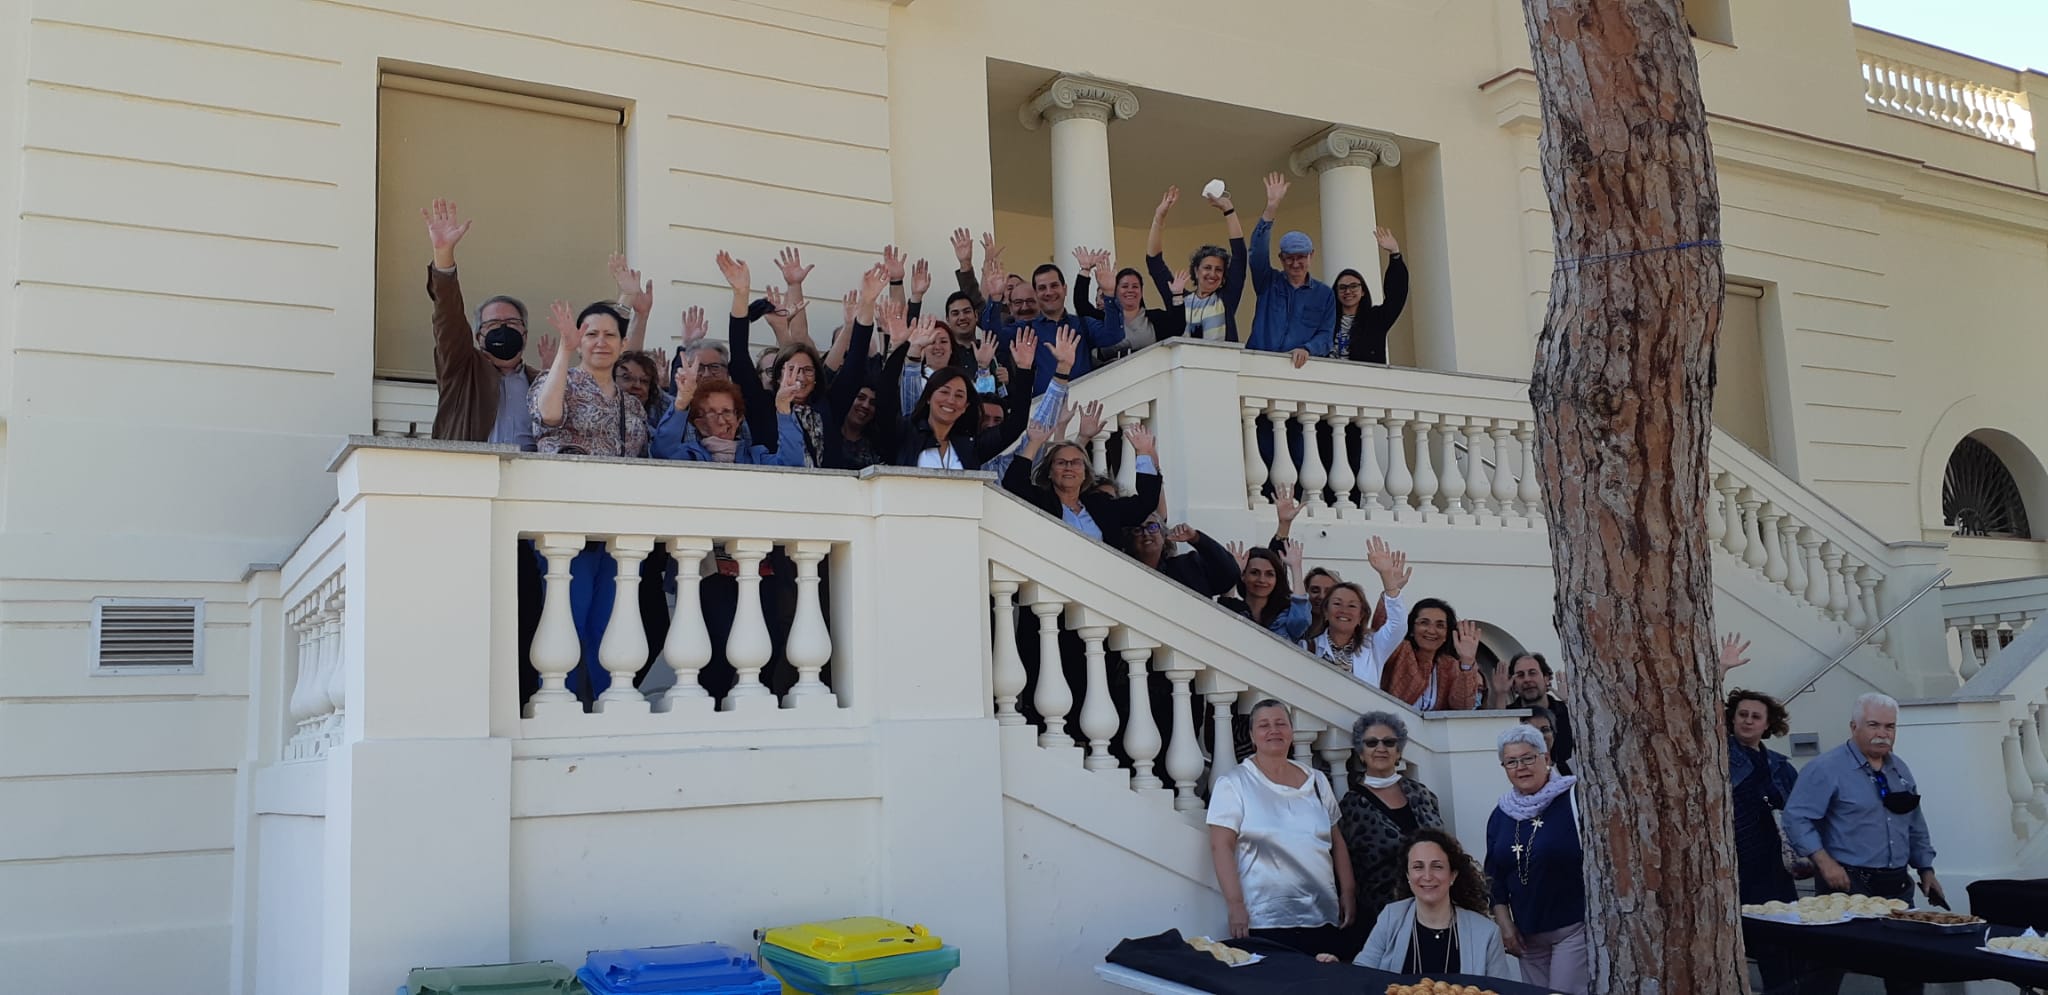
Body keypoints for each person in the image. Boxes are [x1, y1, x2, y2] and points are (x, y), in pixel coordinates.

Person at [1782, 692, 1943, 995]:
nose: (1882, 734)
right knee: (1826, 969)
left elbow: (1915, 821)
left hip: (1896, 886)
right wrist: (1824, 861)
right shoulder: (1827, 768)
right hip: (1845, 882)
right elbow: (1796, 818)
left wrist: (1926, 868)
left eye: (1890, 727)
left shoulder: (1900, 770)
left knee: (1906, 968)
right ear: (1853, 726)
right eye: (1873, 725)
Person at [1207, 699, 1355, 957]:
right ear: (1252, 735)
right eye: (1264, 725)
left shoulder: (1318, 781)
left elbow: (1337, 841)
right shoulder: (1234, 783)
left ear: (1291, 731)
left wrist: (1349, 892)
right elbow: (1220, 845)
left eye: (1280, 723)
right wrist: (1235, 904)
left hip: (1323, 917)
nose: (1273, 730)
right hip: (1265, 921)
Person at [1319, 829, 1518, 981]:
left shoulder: (1486, 933)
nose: (1427, 876)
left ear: (1453, 876)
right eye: (1417, 867)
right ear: (1408, 876)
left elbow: (1501, 991)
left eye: (1437, 866)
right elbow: (1362, 975)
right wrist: (1338, 970)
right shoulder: (1391, 917)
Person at [420, 199, 539, 447]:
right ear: (478, 336)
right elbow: (448, 320)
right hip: (468, 480)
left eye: (511, 322)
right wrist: (443, 257)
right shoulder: (461, 371)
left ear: (525, 334)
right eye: (493, 323)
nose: (503, 328)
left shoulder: (541, 383)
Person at [1486, 724, 1588, 994]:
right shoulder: (1501, 814)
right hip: (1527, 936)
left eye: (1528, 758)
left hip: (1572, 928)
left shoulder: (1575, 799)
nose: (1521, 767)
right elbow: (1493, 878)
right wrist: (1505, 925)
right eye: (1511, 762)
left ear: (1546, 758)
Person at [1334, 712, 1446, 956]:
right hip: (1381, 919)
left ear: (1399, 751)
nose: (1380, 748)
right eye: (1371, 743)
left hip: (1435, 911)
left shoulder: (1422, 794)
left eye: (1389, 742)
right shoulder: (1351, 807)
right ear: (1361, 753)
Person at [1005, 422, 1161, 544]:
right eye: (1061, 462)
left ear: (1085, 473)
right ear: (1050, 472)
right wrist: (1034, 443)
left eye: (1076, 463)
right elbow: (1013, 484)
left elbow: (1145, 503)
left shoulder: (1102, 505)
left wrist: (1143, 454)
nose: (1068, 467)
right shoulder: (1041, 501)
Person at [531, 301, 649, 458]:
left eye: (610, 335)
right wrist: (566, 348)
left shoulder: (632, 405)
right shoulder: (558, 383)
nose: (601, 342)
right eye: (592, 334)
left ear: (622, 345)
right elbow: (548, 415)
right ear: (579, 343)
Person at [1245, 172, 1336, 369]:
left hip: (1298, 372)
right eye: (1290, 258)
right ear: (1281, 259)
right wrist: (1272, 207)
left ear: (1311, 256)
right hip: (1259, 366)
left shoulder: (1325, 294)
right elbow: (1257, 252)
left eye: (1301, 257)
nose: (1295, 263)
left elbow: (1326, 335)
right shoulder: (1267, 282)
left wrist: (1307, 348)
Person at [650, 356, 805, 466]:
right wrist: (681, 402)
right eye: (712, 413)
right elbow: (661, 454)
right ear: (700, 424)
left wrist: (783, 408)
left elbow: (792, 464)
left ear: (738, 420)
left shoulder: (756, 458)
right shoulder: (688, 457)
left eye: (727, 412)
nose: (722, 420)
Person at [1300, 539, 1411, 684]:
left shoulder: (1374, 645)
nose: (1344, 610)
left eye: (1352, 606)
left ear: (1361, 616)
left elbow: (1398, 625)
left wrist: (1387, 577)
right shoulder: (1307, 647)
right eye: (1337, 603)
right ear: (1326, 612)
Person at [1145, 185, 1248, 342]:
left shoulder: (1226, 298)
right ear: (1196, 270)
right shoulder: (1178, 297)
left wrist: (1229, 210)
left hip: (1220, 365)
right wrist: (1159, 218)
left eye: (1219, 270)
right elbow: (1154, 263)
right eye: (1207, 268)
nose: (1212, 274)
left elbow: (1240, 256)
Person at [1073, 248, 1189, 361]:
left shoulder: (1154, 318)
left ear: (1141, 291)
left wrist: (1177, 294)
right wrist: (1085, 270)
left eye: (1135, 286)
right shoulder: (1105, 318)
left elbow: (1177, 327)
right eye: (1124, 286)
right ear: (1116, 290)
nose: (1130, 290)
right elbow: (1081, 305)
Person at [1381, 600, 1485, 711]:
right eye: (1424, 623)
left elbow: (1462, 707)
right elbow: (1381, 628)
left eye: (1440, 625)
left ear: (1446, 635)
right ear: (1411, 629)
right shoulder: (1399, 650)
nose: (1431, 630)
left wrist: (1467, 662)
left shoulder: (1450, 665)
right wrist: (1391, 593)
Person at [1332, 227, 1410, 364]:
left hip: (1366, 382)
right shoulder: (1327, 320)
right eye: (1342, 287)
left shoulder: (1375, 319)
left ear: (1363, 291)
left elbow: (1397, 296)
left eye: (1353, 286)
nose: (1348, 291)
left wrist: (1395, 254)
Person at [1490, 652, 1575, 773]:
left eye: (1532, 673)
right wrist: (1501, 694)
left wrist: (1570, 702)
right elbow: (1497, 735)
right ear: (1513, 685)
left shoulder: (1565, 710)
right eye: (1520, 675)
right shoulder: (1508, 715)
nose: (1527, 679)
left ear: (1546, 679)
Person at [1125, 515, 1240, 598]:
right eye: (1137, 530)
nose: (1146, 533)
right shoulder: (1126, 572)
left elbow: (1230, 573)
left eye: (1152, 527)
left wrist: (1195, 538)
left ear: (1164, 536)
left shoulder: (1188, 566)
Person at [1218, 541, 1311, 641]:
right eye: (1254, 573)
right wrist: (1234, 571)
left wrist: (1296, 568)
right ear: (1243, 576)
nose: (1262, 580)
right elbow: (1225, 612)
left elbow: (1301, 620)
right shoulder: (1237, 609)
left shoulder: (1283, 617)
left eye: (1269, 574)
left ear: (1276, 579)